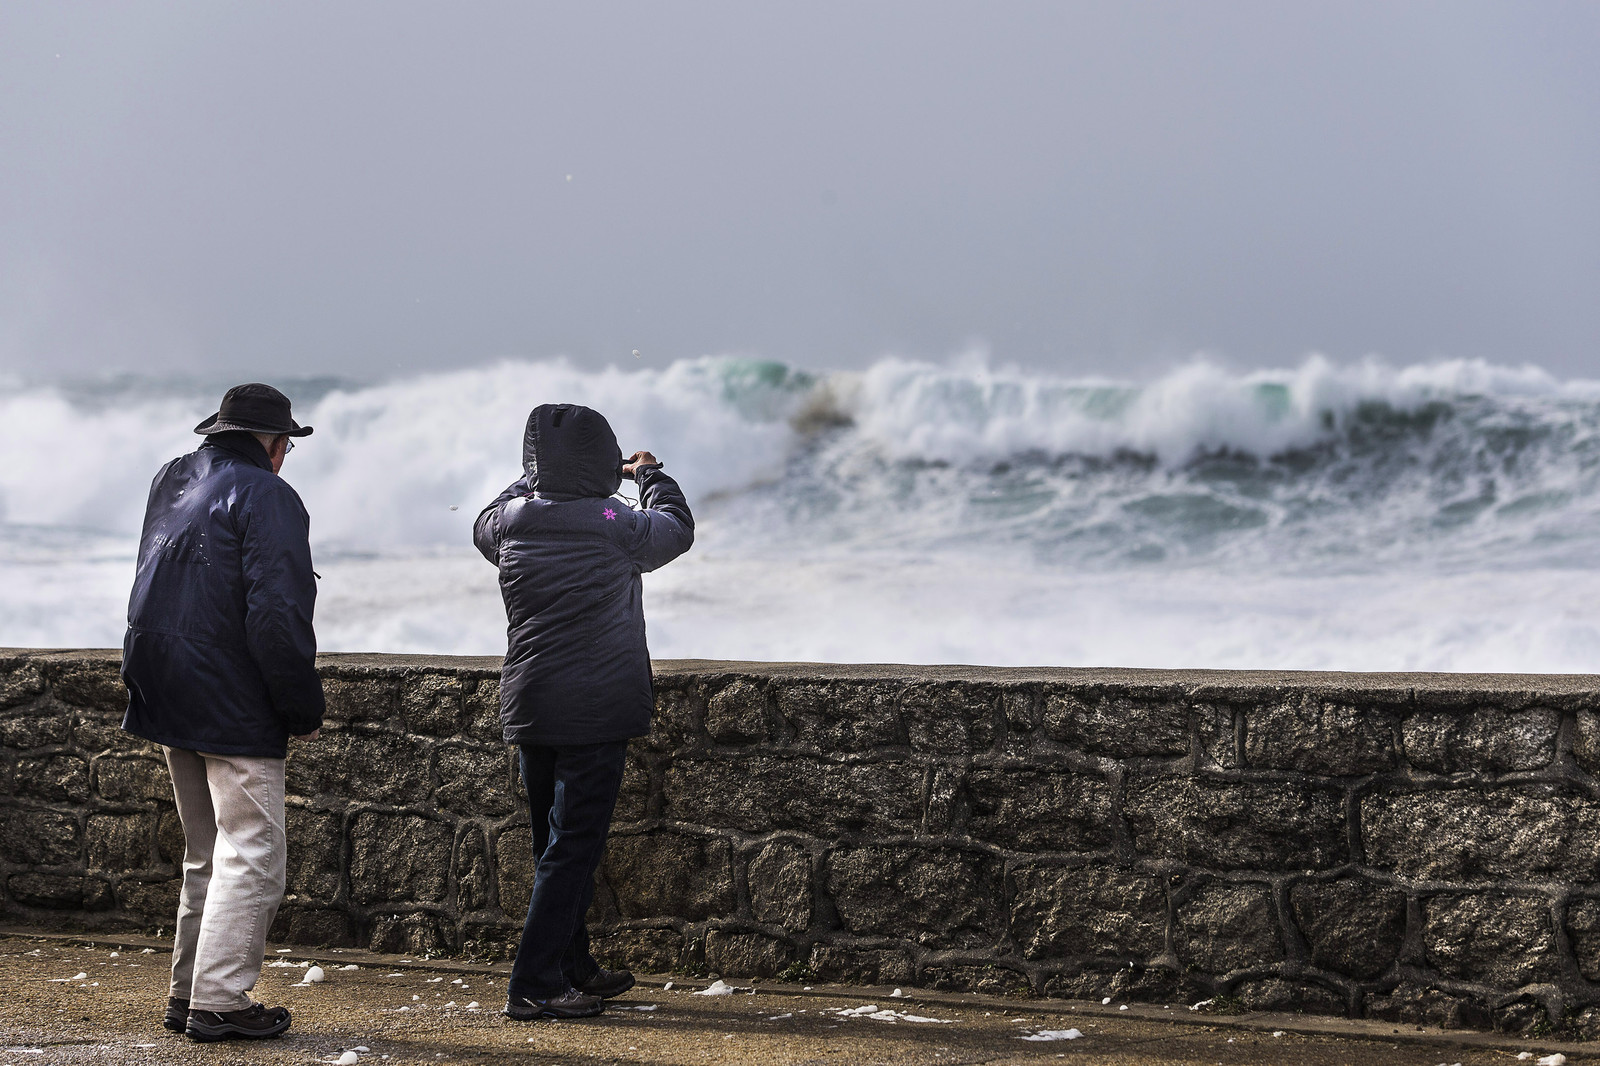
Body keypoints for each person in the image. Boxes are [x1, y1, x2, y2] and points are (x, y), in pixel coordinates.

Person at [474, 402, 694, 1020]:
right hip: (595, 710)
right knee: (573, 848)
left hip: (532, 705)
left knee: (553, 843)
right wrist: (649, 475)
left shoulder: (509, 524)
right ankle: (534, 984)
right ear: (603, 458)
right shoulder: (617, 523)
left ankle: (573, 966)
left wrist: (534, 480)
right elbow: (676, 527)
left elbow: (492, 513)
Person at [120, 382, 325, 1042]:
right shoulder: (270, 495)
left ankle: (189, 993)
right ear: (274, 445)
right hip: (230, 695)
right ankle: (221, 1002)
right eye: (286, 445)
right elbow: (276, 614)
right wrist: (299, 703)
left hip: (161, 679)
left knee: (207, 853)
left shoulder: (172, 478)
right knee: (255, 853)